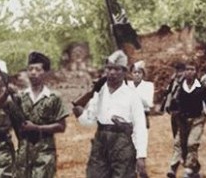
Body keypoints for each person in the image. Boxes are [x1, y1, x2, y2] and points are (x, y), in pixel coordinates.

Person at [73, 50, 148, 178]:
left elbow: (140, 127)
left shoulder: (132, 96)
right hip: (100, 142)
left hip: (123, 143)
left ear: (124, 72)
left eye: (117, 69)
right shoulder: (100, 94)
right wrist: (79, 111)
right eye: (109, 69)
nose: (112, 72)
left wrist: (141, 156)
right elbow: (89, 120)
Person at [15, 52, 69, 177]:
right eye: (30, 69)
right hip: (23, 154)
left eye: (37, 69)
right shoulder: (19, 97)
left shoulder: (54, 97)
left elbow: (61, 127)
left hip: (45, 153)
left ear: (46, 73)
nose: (33, 72)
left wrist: (37, 128)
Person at [166, 61, 206, 178]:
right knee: (179, 144)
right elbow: (173, 105)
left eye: (192, 69)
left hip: (197, 120)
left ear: (196, 72)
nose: (189, 72)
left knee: (192, 144)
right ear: (184, 72)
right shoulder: (180, 87)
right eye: (187, 70)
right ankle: (192, 168)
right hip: (183, 120)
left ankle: (186, 168)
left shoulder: (202, 88)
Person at [161, 62, 187, 137]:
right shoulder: (173, 80)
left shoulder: (186, 80)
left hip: (183, 109)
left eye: (180, 71)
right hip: (174, 108)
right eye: (177, 70)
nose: (178, 72)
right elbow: (168, 91)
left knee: (183, 131)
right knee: (175, 131)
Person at [128, 60, 155, 129]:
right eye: (134, 72)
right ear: (131, 74)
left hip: (142, 115)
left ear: (143, 74)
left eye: (139, 72)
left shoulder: (148, 85)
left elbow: (149, 103)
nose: (137, 74)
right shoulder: (127, 85)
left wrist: (134, 96)